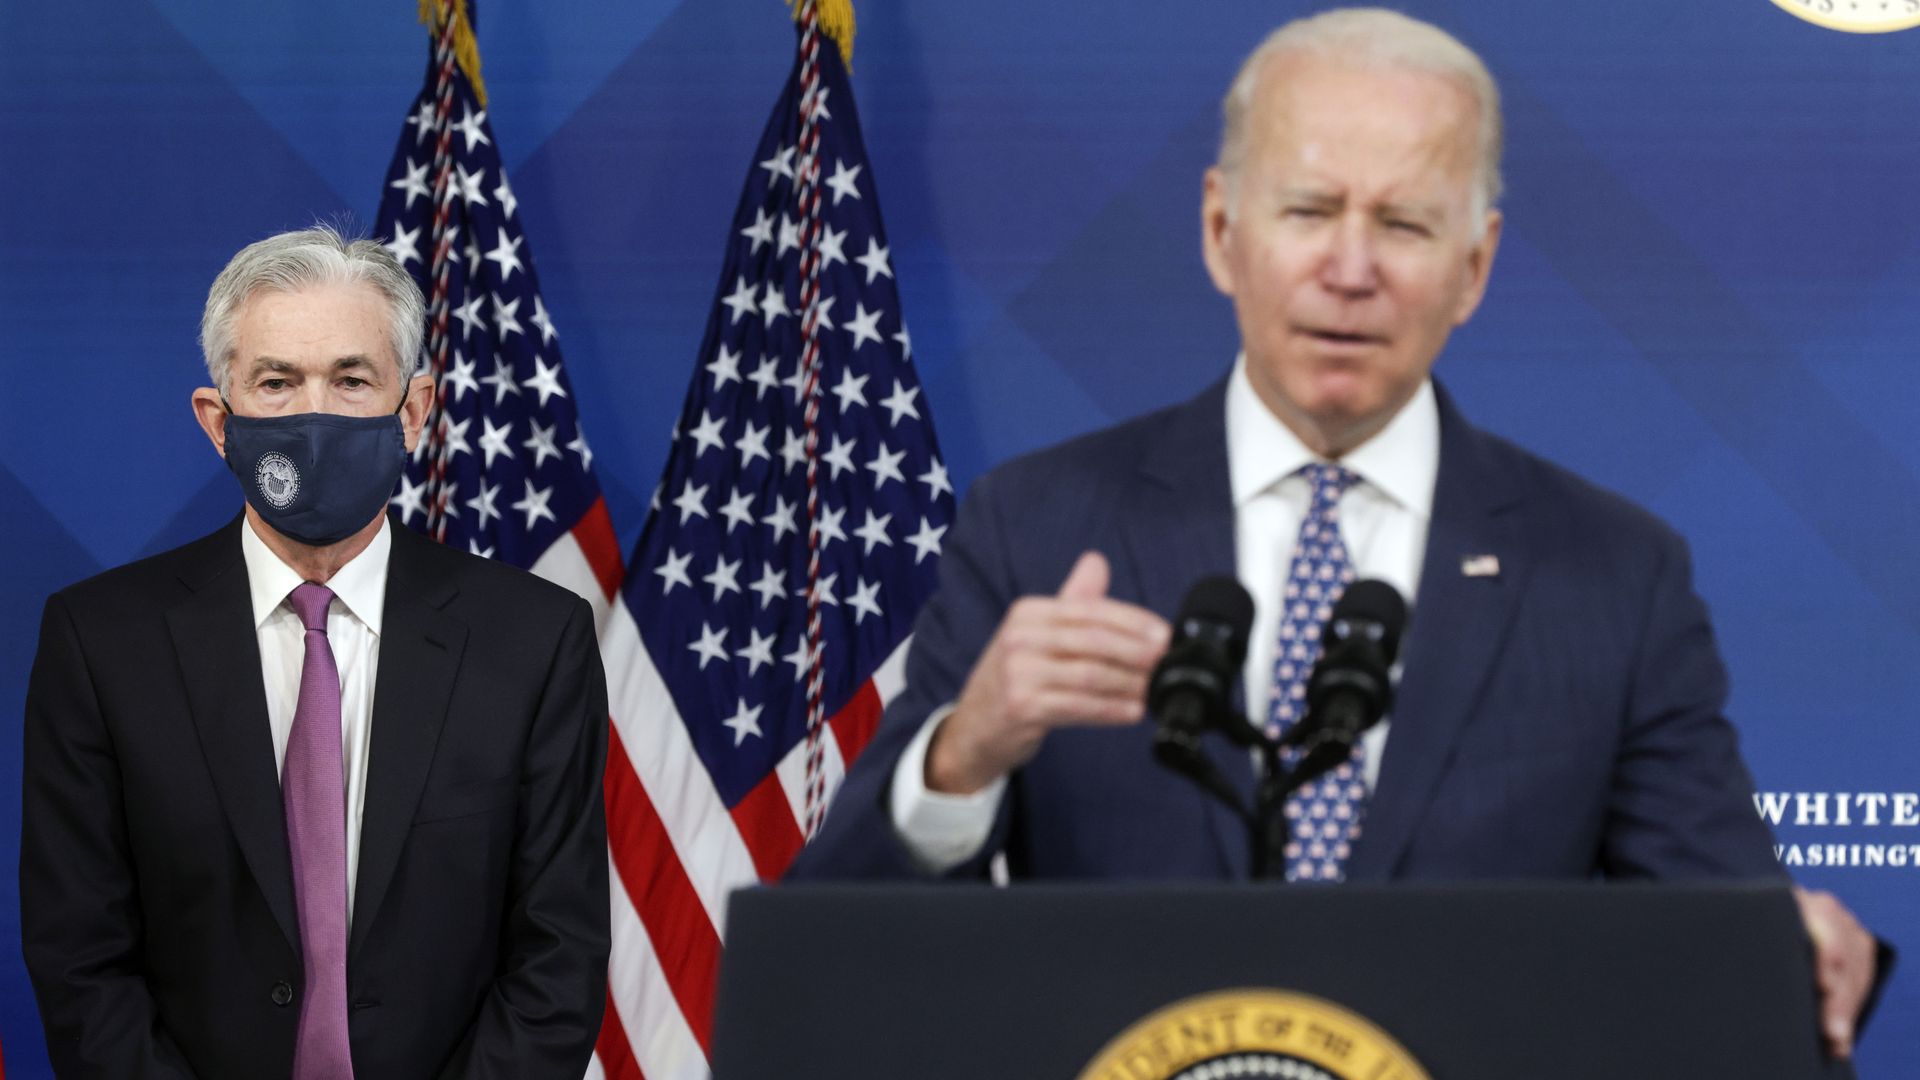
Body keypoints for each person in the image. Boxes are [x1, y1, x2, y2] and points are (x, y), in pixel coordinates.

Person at [786, 7, 1883, 1058]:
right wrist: (963, 757)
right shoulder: (1041, 526)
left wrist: (1784, 949)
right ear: (1222, 231)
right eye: (1309, 211)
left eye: (1403, 223)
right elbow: (831, 959)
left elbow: (1725, 948)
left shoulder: (1609, 576)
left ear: (1475, 266)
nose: (1350, 269)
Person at [21, 226, 610, 1078]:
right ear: (217, 421)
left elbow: (558, 956)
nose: (314, 416)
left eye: (351, 379)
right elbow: (80, 962)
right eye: (276, 382)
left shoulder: (535, 641)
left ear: (412, 410)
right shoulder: (102, 644)